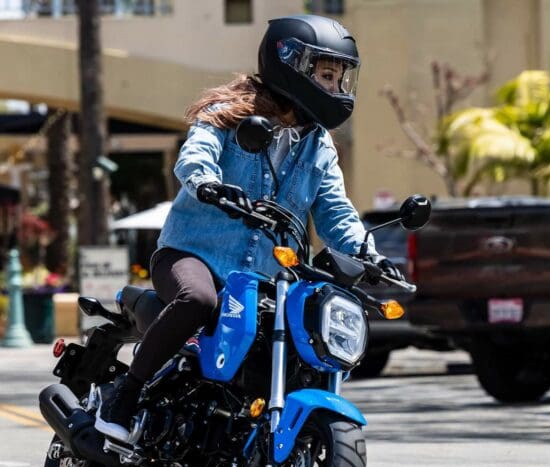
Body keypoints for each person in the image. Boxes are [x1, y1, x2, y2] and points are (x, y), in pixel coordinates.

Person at [95, 14, 404, 442]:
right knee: (198, 299)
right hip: (193, 254)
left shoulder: (319, 146)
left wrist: (371, 253)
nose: (335, 89)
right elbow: (194, 156)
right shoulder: (228, 115)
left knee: (303, 331)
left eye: (340, 79)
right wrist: (207, 183)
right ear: (290, 64)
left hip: (263, 278)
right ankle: (125, 395)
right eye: (327, 75)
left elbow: (335, 213)